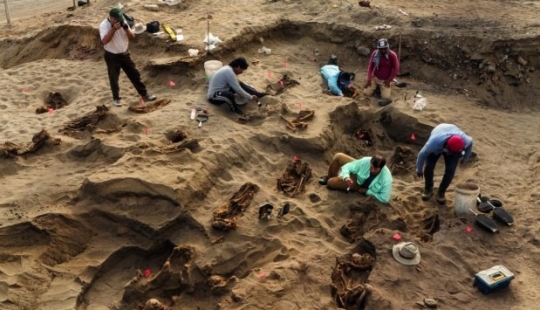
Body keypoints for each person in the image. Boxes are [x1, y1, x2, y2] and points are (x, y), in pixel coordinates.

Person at [99, 8, 156, 107]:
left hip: (125, 54)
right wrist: (113, 29)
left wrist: (126, 29)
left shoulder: (122, 21)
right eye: (116, 19)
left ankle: (145, 94)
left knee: (134, 74)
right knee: (114, 78)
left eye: (120, 18)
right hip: (112, 55)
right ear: (111, 18)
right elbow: (104, 41)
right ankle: (116, 99)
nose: (119, 20)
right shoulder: (103, 25)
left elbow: (132, 36)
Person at [416, 124, 474, 205]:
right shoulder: (433, 144)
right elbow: (422, 154)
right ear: (446, 146)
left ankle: (441, 192)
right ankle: (428, 189)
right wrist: (419, 169)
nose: (451, 154)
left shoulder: (466, 141)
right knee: (429, 166)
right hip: (439, 133)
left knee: (450, 171)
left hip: (452, 138)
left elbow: (471, 143)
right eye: (450, 152)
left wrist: (465, 158)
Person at [318, 153, 393, 204]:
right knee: (338, 156)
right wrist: (346, 177)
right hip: (358, 173)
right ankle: (329, 176)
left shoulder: (386, 178)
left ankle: (333, 179)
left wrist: (367, 191)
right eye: (371, 167)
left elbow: (384, 199)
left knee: (331, 183)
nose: (372, 170)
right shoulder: (365, 161)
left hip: (358, 183)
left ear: (381, 168)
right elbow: (348, 166)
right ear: (370, 162)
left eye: (376, 169)